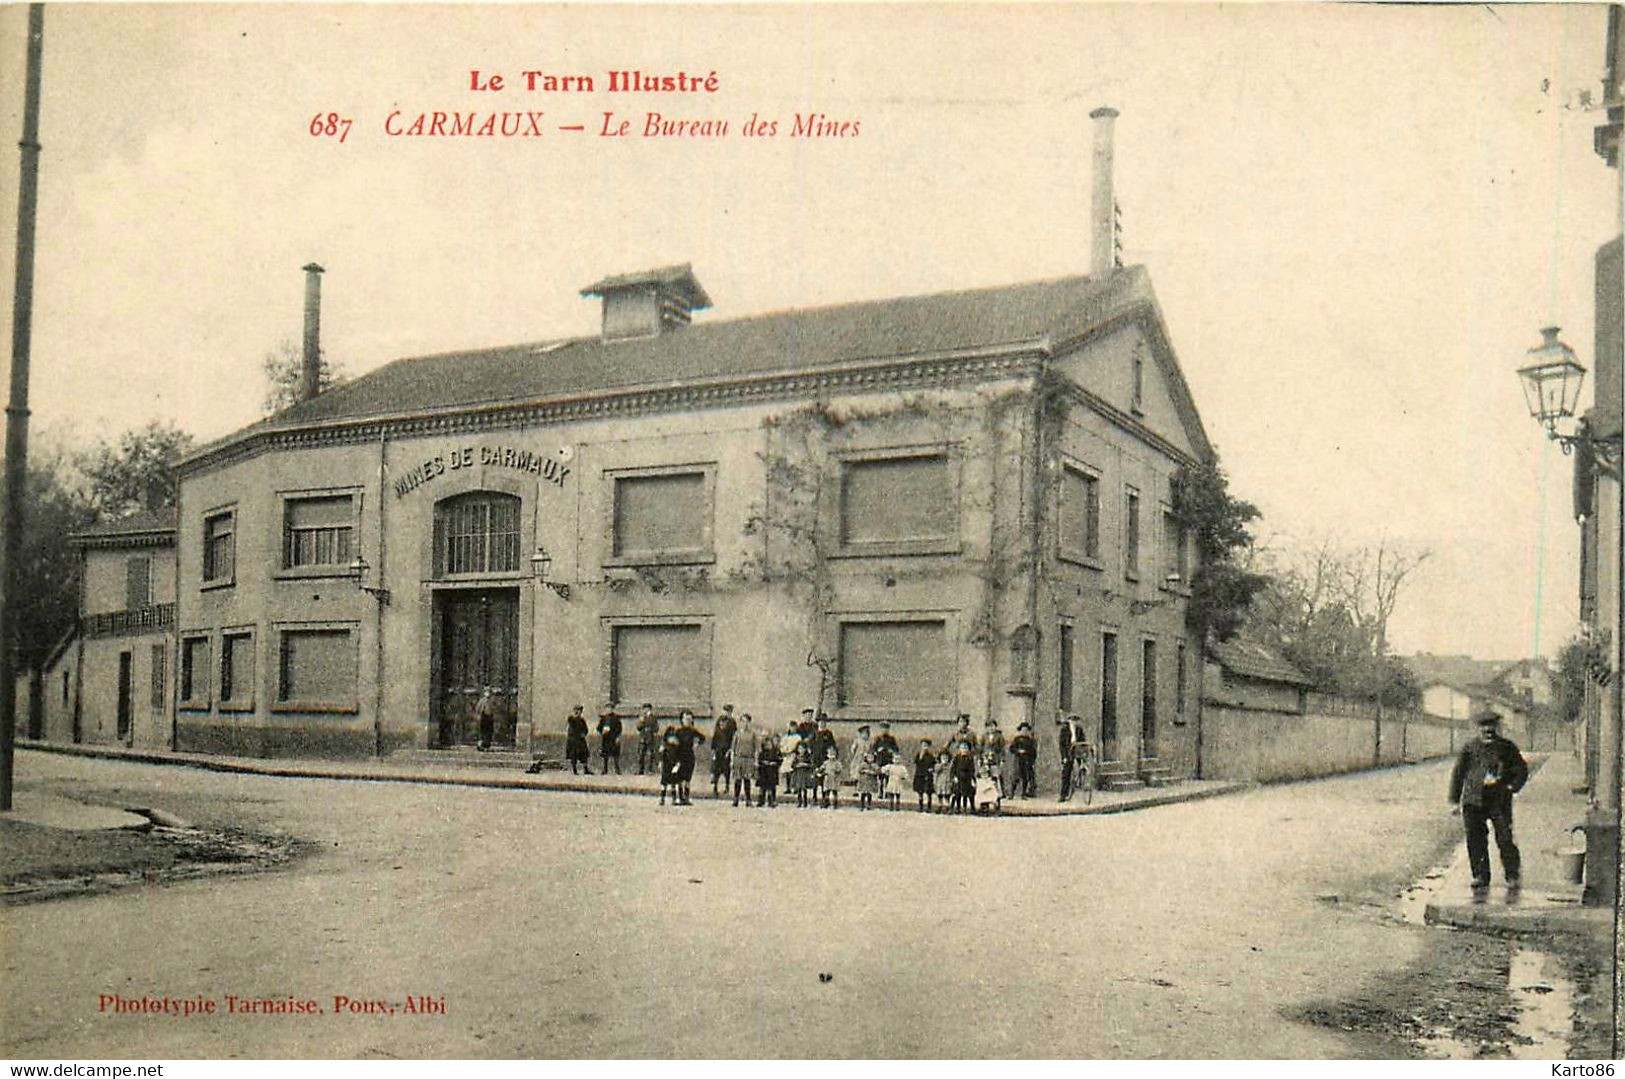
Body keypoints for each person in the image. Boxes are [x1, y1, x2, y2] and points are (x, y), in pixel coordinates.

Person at [1449, 711, 1529, 890]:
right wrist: (1455, 801)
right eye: (1484, 726)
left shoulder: (1507, 747)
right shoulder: (1470, 748)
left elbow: (1521, 769)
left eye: (1491, 726)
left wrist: (1512, 787)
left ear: (1497, 727)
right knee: (1475, 839)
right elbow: (1458, 773)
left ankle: (1512, 875)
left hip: (1498, 801)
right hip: (1473, 799)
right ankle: (1480, 876)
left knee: (1505, 838)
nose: (1488, 730)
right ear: (1479, 728)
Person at [671, 709, 707, 805]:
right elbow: (673, 744)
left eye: (689, 719)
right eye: (685, 719)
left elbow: (702, 737)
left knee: (687, 779)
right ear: (682, 720)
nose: (687, 721)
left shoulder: (692, 731)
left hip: (689, 757)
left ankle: (686, 798)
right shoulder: (678, 732)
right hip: (680, 756)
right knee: (679, 778)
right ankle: (679, 797)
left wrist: (697, 744)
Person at [732, 713, 760, 807]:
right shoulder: (737, 733)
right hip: (738, 758)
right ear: (740, 722)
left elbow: (756, 748)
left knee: (747, 780)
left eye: (747, 722)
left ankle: (748, 799)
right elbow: (733, 748)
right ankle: (736, 799)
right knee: (738, 780)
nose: (745, 724)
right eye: (743, 721)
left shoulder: (753, 734)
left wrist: (755, 761)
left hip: (748, 759)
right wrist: (732, 760)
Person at [711, 704, 739, 796]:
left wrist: (731, 749)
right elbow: (715, 735)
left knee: (726, 769)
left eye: (729, 712)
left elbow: (734, 737)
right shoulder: (719, 720)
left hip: (727, 749)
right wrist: (713, 749)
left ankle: (727, 786)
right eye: (726, 711)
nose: (727, 713)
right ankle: (715, 787)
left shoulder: (732, 722)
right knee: (716, 769)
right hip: (718, 749)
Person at [1009, 722, 1037, 798]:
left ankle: (1023, 794)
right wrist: (1018, 751)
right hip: (1018, 760)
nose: (1024, 731)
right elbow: (1011, 749)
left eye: (1026, 730)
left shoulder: (1030, 740)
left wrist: (1032, 761)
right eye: (1023, 730)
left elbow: (1033, 752)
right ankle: (1011, 794)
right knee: (1015, 777)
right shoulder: (1017, 739)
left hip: (1027, 761)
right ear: (1020, 730)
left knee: (1025, 778)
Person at [756, 731, 783, 808]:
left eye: (769, 744)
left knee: (772, 786)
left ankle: (771, 800)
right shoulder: (762, 752)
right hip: (764, 771)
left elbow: (780, 760)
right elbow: (759, 760)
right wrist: (763, 762)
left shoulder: (776, 751)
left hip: (772, 771)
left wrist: (775, 763)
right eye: (767, 744)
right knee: (762, 787)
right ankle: (761, 800)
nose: (768, 746)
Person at [565, 704, 592, 775]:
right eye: (576, 710)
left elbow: (586, 729)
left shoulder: (582, 720)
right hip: (573, 740)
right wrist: (575, 716)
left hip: (581, 740)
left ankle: (586, 769)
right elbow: (570, 721)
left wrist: (584, 733)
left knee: (584, 755)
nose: (577, 712)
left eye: (579, 711)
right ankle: (574, 770)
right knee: (573, 756)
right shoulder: (571, 719)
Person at [658, 730, 682, 807]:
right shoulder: (665, 747)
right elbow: (661, 757)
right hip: (666, 767)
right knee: (664, 784)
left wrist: (678, 765)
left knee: (673, 784)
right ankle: (662, 798)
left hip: (673, 767)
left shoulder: (677, 748)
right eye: (671, 737)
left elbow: (679, 757)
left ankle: (674, 798)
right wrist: (661, 763)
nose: (673, 739)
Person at [913, 738, 938, 812]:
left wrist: (931, 769)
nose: (924, 747)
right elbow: (916, 762)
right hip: (919, 774)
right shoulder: (919, 754)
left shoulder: (931, 756)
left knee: (928, 791)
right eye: (923, 745)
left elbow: (934, 764)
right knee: (920, 791)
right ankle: (920, 806)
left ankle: (929, 806)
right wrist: (920, 757)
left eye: (926, 745)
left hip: (927, 775)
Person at [635, 704, 660, 775]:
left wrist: (650, 729)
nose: (645, 710)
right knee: (641, 755)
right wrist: (641, 721)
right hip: (643, 738)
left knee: (650, 755)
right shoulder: (642, 718)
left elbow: (656, 728)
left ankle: (650, 769)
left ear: (649, 709)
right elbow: (638, 728)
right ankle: (640, 770)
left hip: (650, 738)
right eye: (644, 709)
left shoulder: (653, 718)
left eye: (646, 709)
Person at [982, 719, 1006, 793]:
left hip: (995, 759)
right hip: (986, 759)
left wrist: (1002, 759)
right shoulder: (984, 736)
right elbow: (981, 747)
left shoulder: (999, 736)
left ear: (995, 727)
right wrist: (981, 758)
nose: (991, 728)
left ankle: (999, 793)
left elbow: (1002, 749)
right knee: (986, 776)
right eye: (989, 726)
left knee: (995, 776)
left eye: (992, 726)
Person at [596, 709, 623, 774]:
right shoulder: (603, 719)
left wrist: (617, 737)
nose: (609, 710)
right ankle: (605, 769)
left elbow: (619, 728)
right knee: (605, 754)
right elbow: (598, 728)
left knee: (615, 754)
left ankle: (617, 769)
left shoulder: (616, 718)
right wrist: (602, 731)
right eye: (608, 708)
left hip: (613, 738)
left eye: (610, 708)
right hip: (606, 739)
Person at [474, 686, 497, 751]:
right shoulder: (482, 700)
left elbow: (494, 709)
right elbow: (478, 708)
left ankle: (487, 745)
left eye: (489, 691)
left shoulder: (492, 701)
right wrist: (478, 715)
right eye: (486, 691)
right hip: (483, 717)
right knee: (483, 731)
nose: (487, 693)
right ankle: (481, 744)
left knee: (489, 732)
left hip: (489, 717)